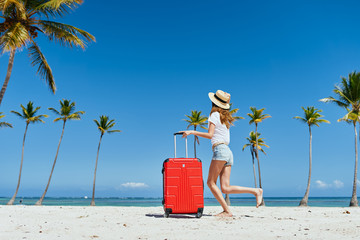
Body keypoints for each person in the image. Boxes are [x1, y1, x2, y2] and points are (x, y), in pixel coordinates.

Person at [181, 90, 263, 217]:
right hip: (228, 152)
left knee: (210, 182)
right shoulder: (224, 118)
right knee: (225, 187)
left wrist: (192, 132)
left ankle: (227, 211)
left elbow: (210, 135)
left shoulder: (214, 115)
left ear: (213, 102)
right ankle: (255, 191)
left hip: (220, 150)